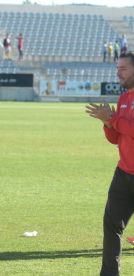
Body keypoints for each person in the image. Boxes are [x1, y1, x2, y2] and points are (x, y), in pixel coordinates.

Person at [85, 51, 134, 276]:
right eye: (117, 68)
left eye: (123, 69)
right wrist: (107, 122)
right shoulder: (124, 98)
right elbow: (116, 139)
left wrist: (113, 119)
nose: (118, 73)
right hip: (123, 173)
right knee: (111, 227)